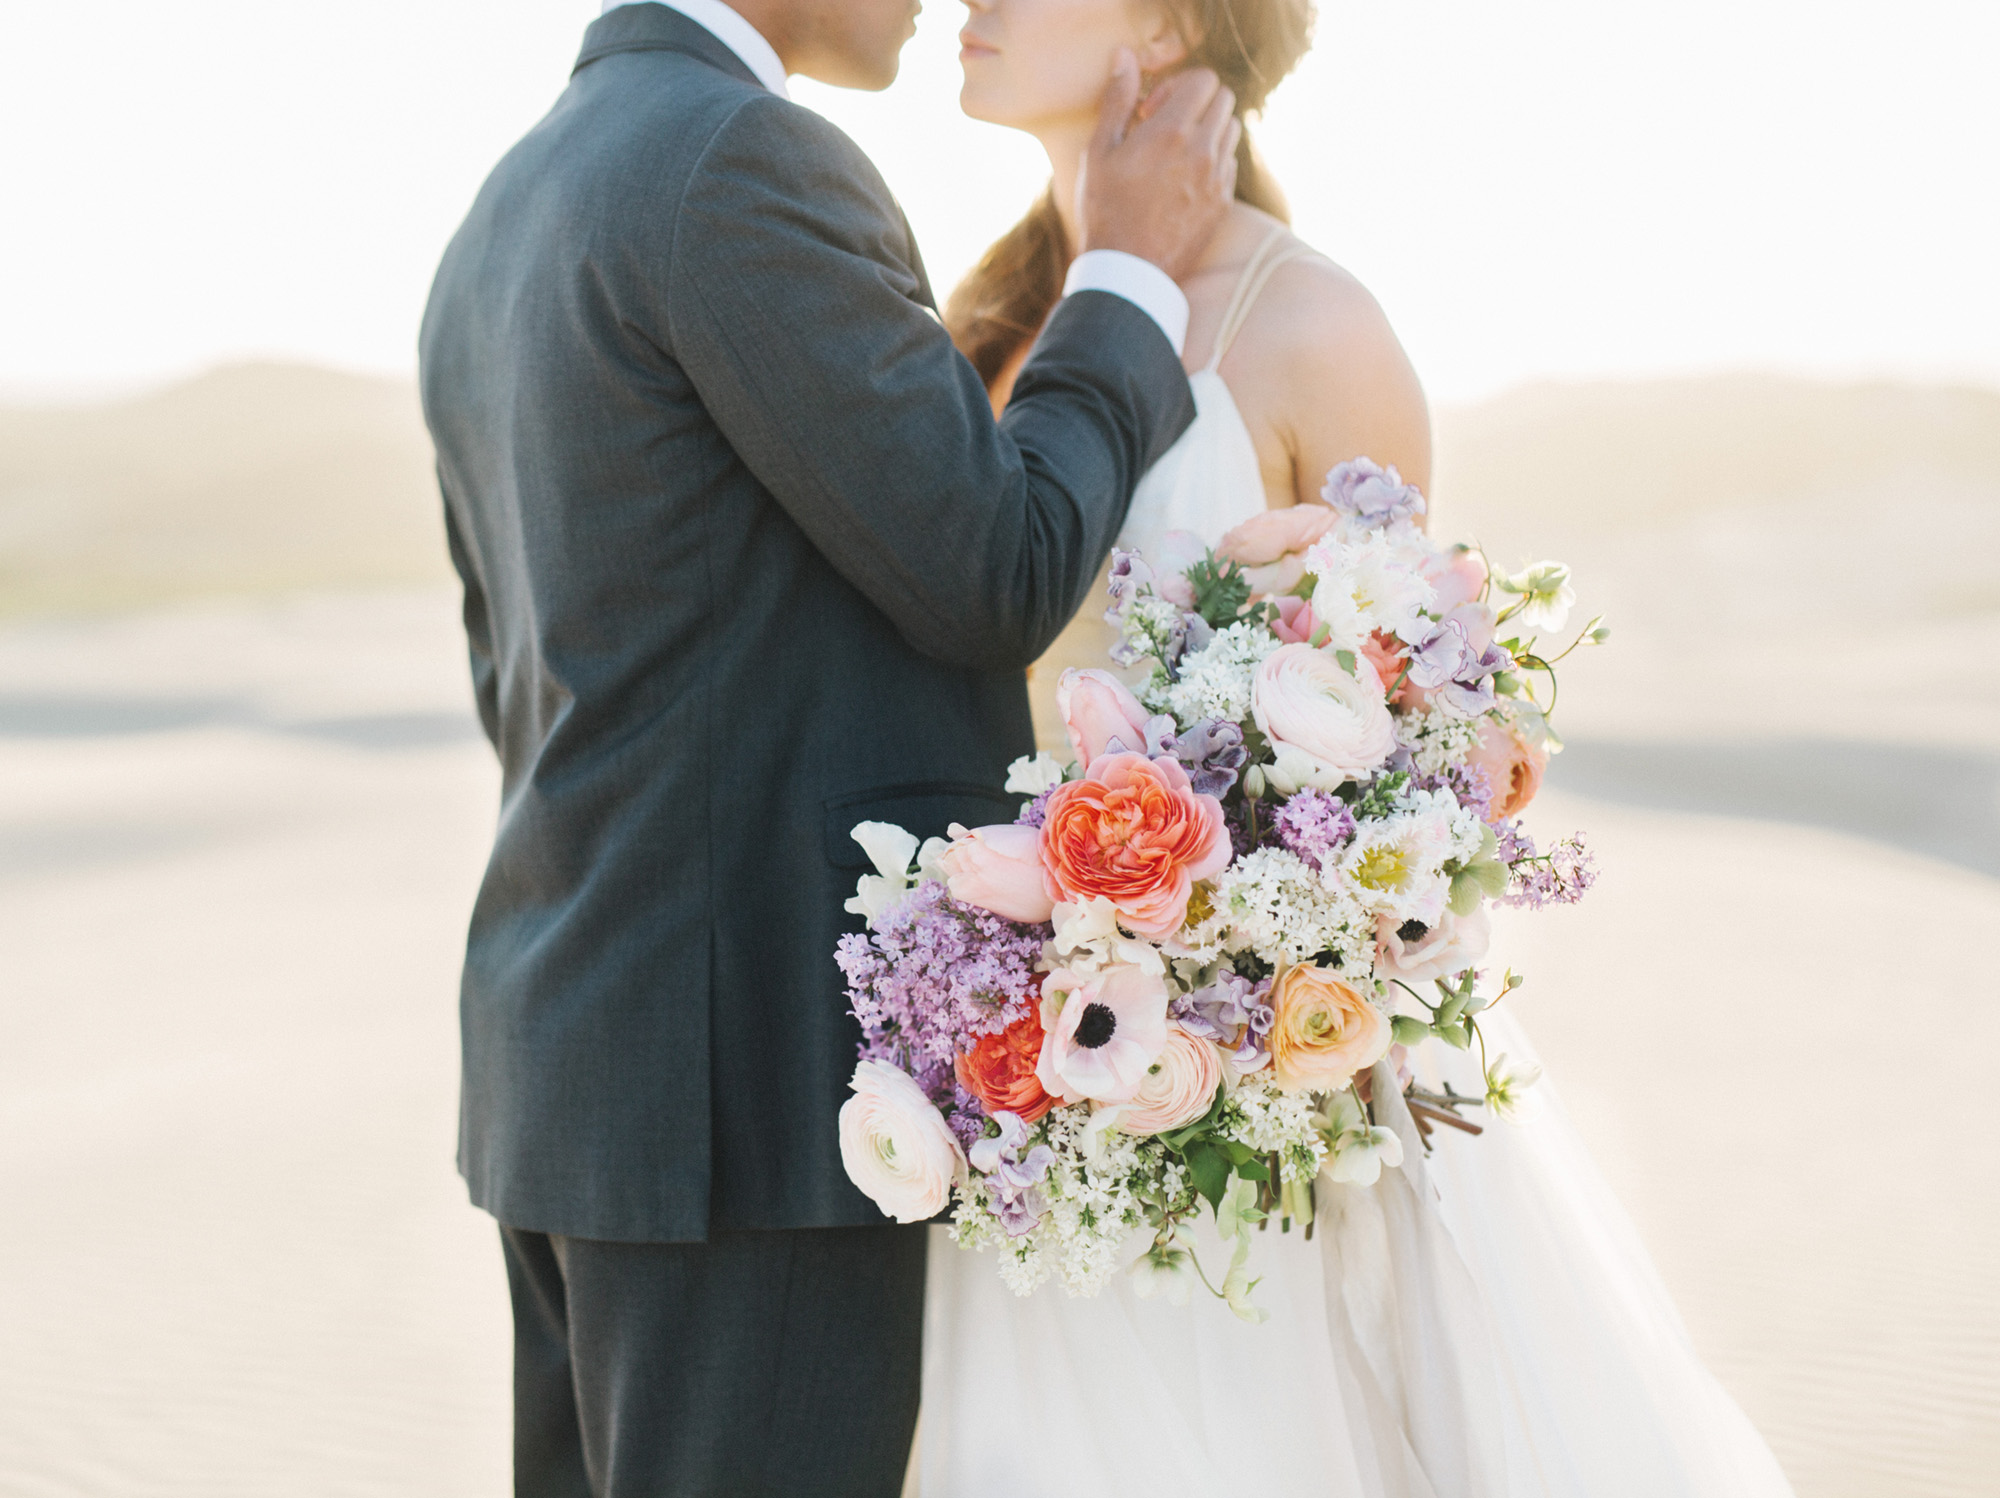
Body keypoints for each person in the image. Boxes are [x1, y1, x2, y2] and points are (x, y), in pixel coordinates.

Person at [914, 1, 1801, 1494]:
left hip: (1232, 1124)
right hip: (1003, 1100)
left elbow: (1410, 745)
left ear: (1169, 20)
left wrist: (1235, 1008)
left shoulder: (1315, 327)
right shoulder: (993, 322)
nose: (969, 4)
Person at [417, 0, 1241, 1492]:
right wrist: (1119, 269)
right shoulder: (738, 162)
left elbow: (518, 683)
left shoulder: (510, 203)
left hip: (576, 1078)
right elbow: (995, 562)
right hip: (749, 1108)